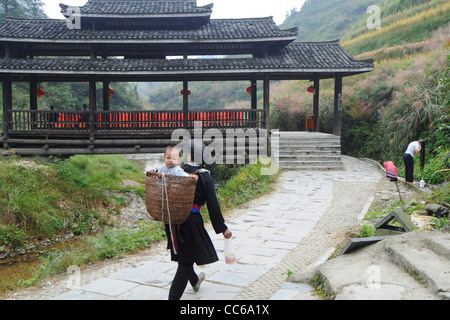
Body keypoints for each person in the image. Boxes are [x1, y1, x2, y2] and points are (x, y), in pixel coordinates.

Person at [166, 140, 232, 300]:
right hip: (191, 222)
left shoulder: (177, 171)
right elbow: (213, 205)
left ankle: (195, 281)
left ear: (189, 156)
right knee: (185, 263)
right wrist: (222, 228)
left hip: (172, 221)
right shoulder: (204, 176)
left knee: (185, 255)